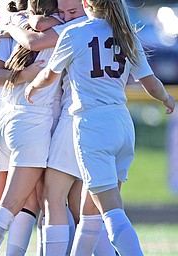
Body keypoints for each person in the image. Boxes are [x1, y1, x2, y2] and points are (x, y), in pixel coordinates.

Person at [25, 0, 175, 255]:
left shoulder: (75, 32)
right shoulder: (126, 34)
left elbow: (49, 74)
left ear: (85, 3)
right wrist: (167, 99)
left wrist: (32, 87)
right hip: (122, 124)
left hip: (92, 125)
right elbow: (150, 83)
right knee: (90, 214)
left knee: (111, 213)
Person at [0, 0, 66, 255]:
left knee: (27, 202)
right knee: (14, 203)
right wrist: (24, 74)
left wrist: (13, 25)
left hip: (4, 117)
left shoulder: (13, 22)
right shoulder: (67, 24)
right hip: (32, 121)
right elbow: (34, 42)